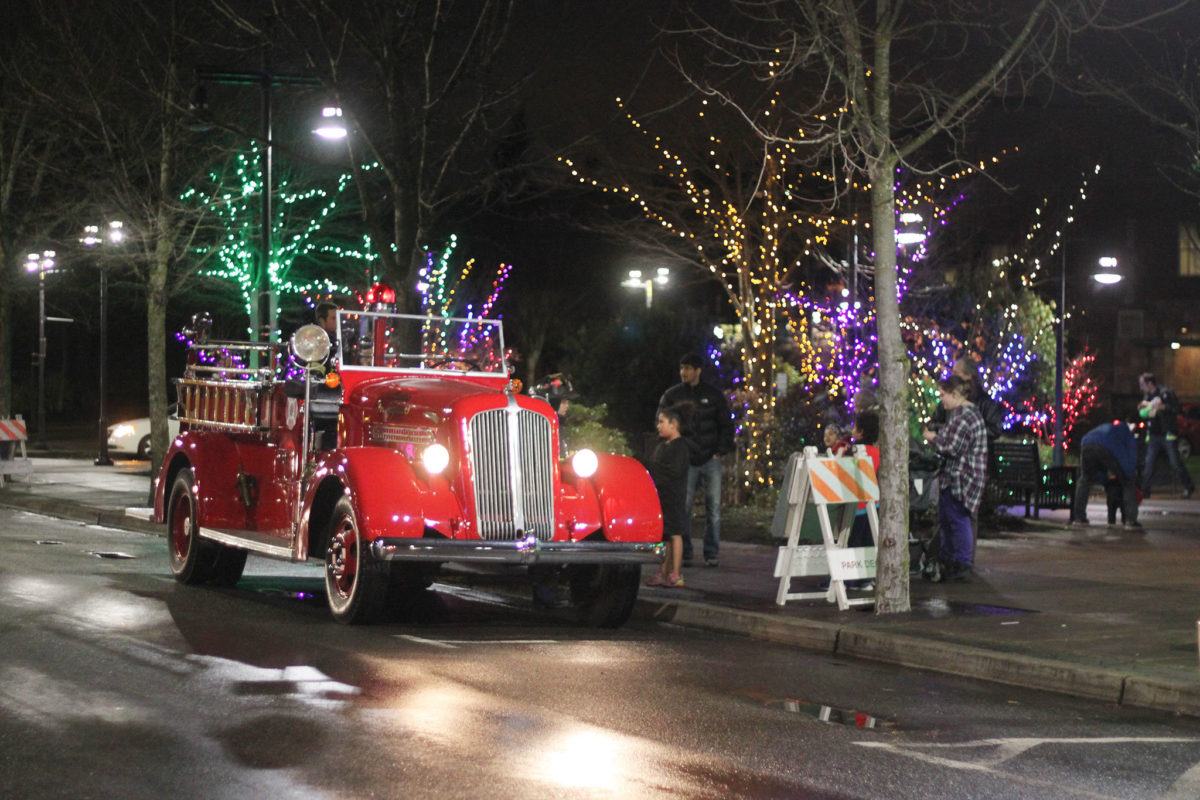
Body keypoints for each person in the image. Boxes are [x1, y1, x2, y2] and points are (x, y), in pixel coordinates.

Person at [658, 353, 735, 567]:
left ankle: (711, 553)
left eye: (689, 368)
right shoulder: (673, 395)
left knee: (714, 508)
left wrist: (720, 450)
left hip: (710, 458)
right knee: (683, 507)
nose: (684, 372)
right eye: (682, 368)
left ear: (698, 370)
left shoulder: (713, 395)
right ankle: (686, 552)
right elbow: (662, 421)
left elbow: (725, 424)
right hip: (686, 460)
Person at [922, 376, 987, 582]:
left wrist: (933, 438)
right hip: (962, 476)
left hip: (961, 477)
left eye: (943, 395)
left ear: (955, 394)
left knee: (958, 518)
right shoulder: (966, 415)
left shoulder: (963, 417)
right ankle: (951, 559)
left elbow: (952, 447)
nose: (941, 400)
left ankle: (961, 562)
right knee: (950, 518)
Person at [646, 407, 690, 589]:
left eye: (662, 422)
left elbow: (673, 471)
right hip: (662, 496)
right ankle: (663, 571)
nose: (658, 426)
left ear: (674, 425)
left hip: (673, 496)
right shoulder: (662, 446)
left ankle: (676, 573)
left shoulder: (680, 447)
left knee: (675, 533)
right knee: (665, 535)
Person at [1072, 419, 1140, 529]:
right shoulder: (1127, 434)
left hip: (1086, 443)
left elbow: (1100, 468)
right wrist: (1129, 474)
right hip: (1105, 446)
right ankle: (1131, 520)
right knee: (1128, 482)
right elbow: (1130, 460)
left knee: (1085, 479)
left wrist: (1104, 479)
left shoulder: (1109, 427)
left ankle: (1079, 518)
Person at [1138, 372, 1194, 499]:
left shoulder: (1165, 393)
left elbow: (1176, 409)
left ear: (1150, 383)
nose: (1141, 387)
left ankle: (1188, 486)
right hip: (1154, 435)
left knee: (1175, 462)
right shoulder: (1148, 396)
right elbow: (1145, 412)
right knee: (1149, 463)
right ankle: (1145, 491)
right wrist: (1142, 408)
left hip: (1167, 434)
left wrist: (1162, 407)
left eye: (1142, 384)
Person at [847, 409, 882, 590]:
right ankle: (866, 579)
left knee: (852, 542)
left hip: (854, 506)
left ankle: (849, 579)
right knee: (868, 542)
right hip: (873, 505)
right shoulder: (877, 453)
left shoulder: (854, 451)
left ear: (860, 432)